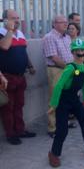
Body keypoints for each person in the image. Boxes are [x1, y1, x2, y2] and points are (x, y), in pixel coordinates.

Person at [47, 38, 84, 167]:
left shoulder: (83, 67)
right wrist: (53, 105)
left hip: (75, 100)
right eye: (77, 50)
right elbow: (59, 86)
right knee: (62, 130)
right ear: (73, 52)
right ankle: (54, 153)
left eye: (82, 49)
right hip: (63, 101)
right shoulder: (70, 68)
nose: (80, 52)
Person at [0, 9, 36, 145]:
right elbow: (4, 46)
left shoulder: (20, 34)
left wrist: (30, 65)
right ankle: (10, 134)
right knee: (8, 108)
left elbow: (24, 52)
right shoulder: (2, 33)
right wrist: (9, 31)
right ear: (5, 20)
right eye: (12, 18)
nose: (16, 20)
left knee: (19, 105)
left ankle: (20, 130)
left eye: (17, 17)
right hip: (6, 77)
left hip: (21, 77)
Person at [43, 15, 73, 138]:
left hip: (67, 70)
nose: (66, 24)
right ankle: (52, 128)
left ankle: (64, 122)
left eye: (66, 22)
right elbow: (53, 57)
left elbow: (71, 53)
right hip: (56, 70)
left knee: (65, 98)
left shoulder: (67, 37)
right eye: (62, 22)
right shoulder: (49, 37)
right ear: (54, 24)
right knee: (54, 99)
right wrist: (69, 68)